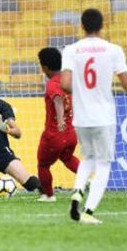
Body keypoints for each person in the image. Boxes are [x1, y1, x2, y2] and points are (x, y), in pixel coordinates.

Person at [61, 8, 127, 225]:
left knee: (88, 158)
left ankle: (77, 191)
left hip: (81, 116)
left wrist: (82, 91)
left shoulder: (71, 50)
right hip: (103, 116)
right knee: (103, 164)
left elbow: (64, 84)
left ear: (81, 26)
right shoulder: (113, 50)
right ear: (102, 26)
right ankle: (89, 211)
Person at [35, 47, 80, 202]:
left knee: (43, 165)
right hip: (71, 133)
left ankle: (49, 195)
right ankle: (86, 179)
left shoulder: (53, 84)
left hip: (55, 134)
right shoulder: (68, 80)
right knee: (67, 158)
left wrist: (60, 119)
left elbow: (57, 99)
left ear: (45, 67)